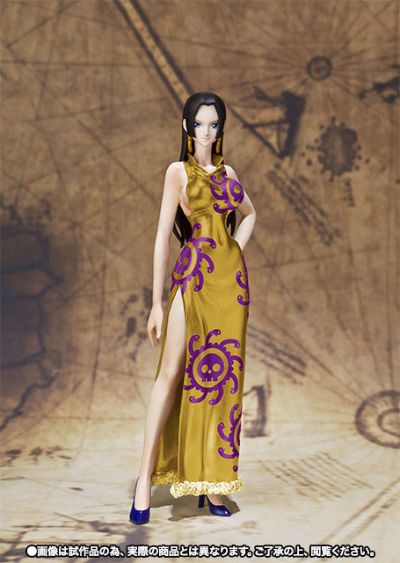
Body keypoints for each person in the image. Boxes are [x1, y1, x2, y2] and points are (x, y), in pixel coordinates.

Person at [129, 92, 256, 524]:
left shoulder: (229, 173)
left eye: (214, 124)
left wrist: (233, 251)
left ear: (221, 128)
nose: (206, 131)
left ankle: (212, 483)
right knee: (171, 373)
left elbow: (249, 214)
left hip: (230, 286)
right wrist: (155, 304)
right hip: (194, 276)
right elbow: (162, 238)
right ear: (186, 126)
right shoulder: (177, 172)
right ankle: (144, 479)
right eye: (199, 123)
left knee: (222, 380)